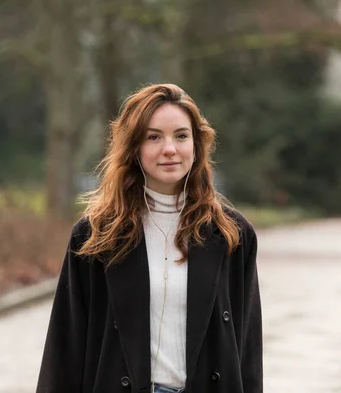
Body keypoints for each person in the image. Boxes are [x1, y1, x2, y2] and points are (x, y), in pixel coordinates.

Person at [36, 84, 263, 393]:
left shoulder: (230, 235)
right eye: (154, 136)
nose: (169, 148)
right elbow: (67, 346)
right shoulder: (96, 236)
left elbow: (247, 347)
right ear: (134, 148)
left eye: (181, 136)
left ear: (197, 145)